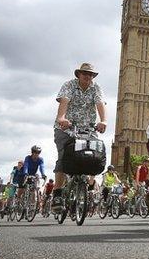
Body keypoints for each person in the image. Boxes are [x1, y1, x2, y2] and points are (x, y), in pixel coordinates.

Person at [52, 63, 107, 211]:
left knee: (94, 152)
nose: (88, 76)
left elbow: (100, 103)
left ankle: (86, 185)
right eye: (85, 73)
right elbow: (64, 101)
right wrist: (61, 118)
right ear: (79, 74)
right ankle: (57, 193)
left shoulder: (96, 87)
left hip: (88, 128)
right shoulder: (69, 85)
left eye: (90, 74)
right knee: (63, 156)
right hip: (66, 128)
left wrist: (103, 120)